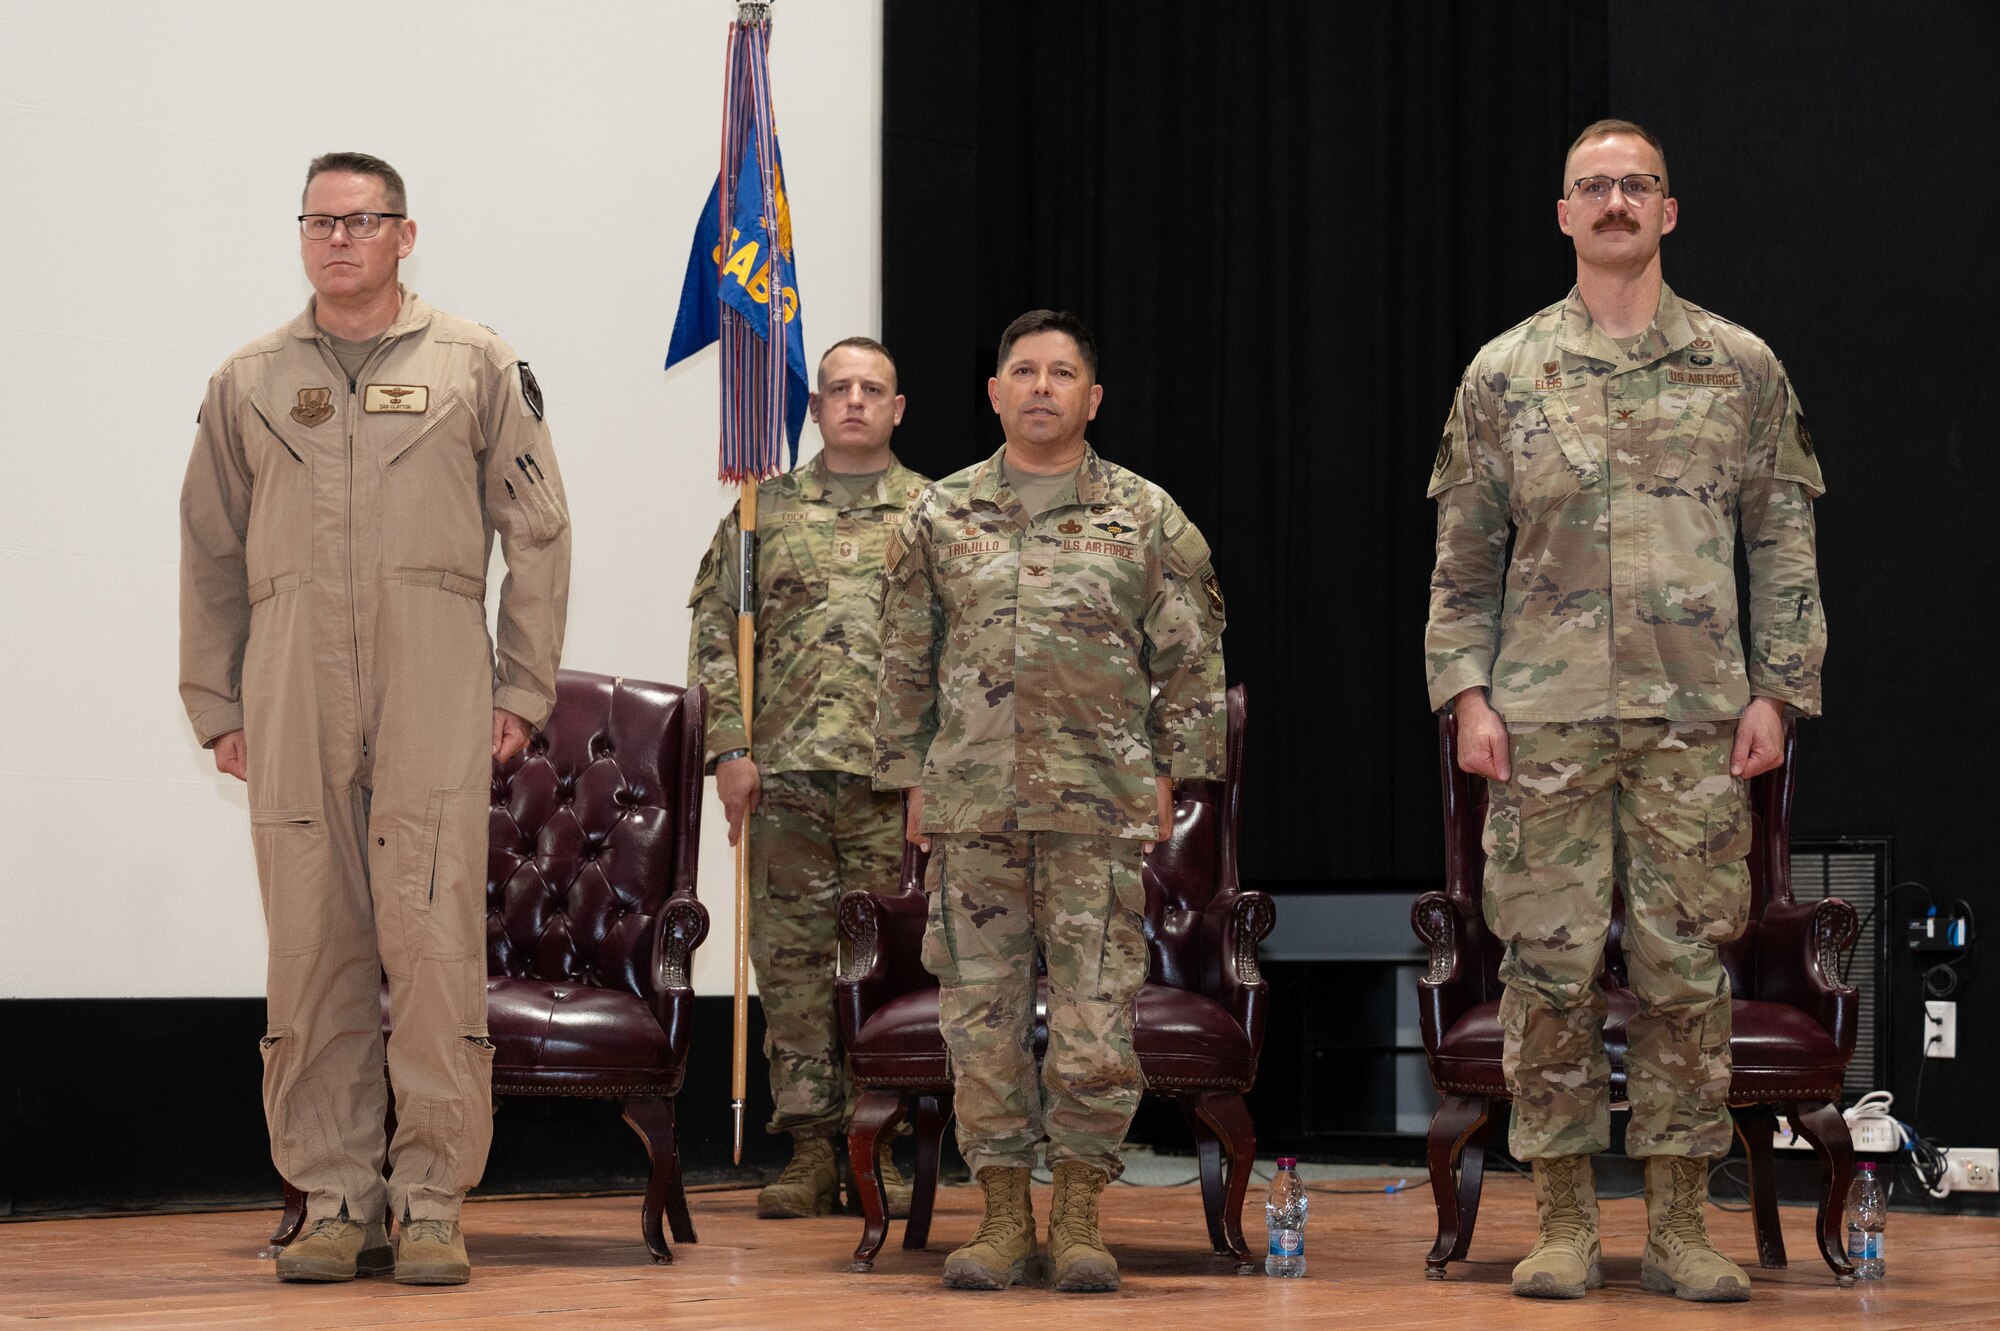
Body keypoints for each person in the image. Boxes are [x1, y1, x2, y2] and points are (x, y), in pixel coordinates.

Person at [1424, 120, 1826, 1304]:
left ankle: (1674, 1223)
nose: (1612, 202)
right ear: (1561, 216)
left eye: (1633, 186)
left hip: (1696, 717)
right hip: (1539, 716)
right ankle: (1556, 1219)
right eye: (1590, 187)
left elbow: (1781, 538)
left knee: (1684, 971)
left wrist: (1775, 689)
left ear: (1666, 211)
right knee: (1543, 969)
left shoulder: (1739, 365)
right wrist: (1465, 691)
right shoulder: (1500, 374)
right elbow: (1459, 559)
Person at [179, 152, 570, 1286]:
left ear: (406, 234)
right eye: (320, 220)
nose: (338, 238)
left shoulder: (476, 362)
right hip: (293, 682)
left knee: (433, 940)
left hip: (435, 673)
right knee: (311, 949)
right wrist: (218, 699)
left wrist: (519, 687)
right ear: (302, 235)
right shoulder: (246, 378)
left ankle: (434, 1196)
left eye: (362, 220)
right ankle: (336, 1196)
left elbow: (538, 533)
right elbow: (209, 549)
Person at [875, 309, 1227, 1293]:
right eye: (1020, 371)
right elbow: (902, 657)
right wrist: (911, 778)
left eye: (1059, 372)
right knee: (977, 1013)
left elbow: (1191, 651)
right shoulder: (937, 515)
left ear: (1091, 397)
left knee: (1091, 1013)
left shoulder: (1144, 514)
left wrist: (1174, 767)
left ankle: (1075, 1208)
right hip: (973, 806)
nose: (1039, 386)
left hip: (1096, 802)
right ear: (992, 392)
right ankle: (997, 1213)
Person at [686, 337, 930, 1218]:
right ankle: (815, 1149)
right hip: (782, 776)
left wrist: (935, 776)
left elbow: (963, 653)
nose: (855, 401)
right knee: (788, 971)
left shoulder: (935, 514)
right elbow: (718, 630)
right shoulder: (761, 513)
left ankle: (884, 1146)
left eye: (873, 388)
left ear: (898, 408)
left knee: (885, 969)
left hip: (892, 784)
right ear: (815, 407)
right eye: (838, 389)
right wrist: (729, 749)